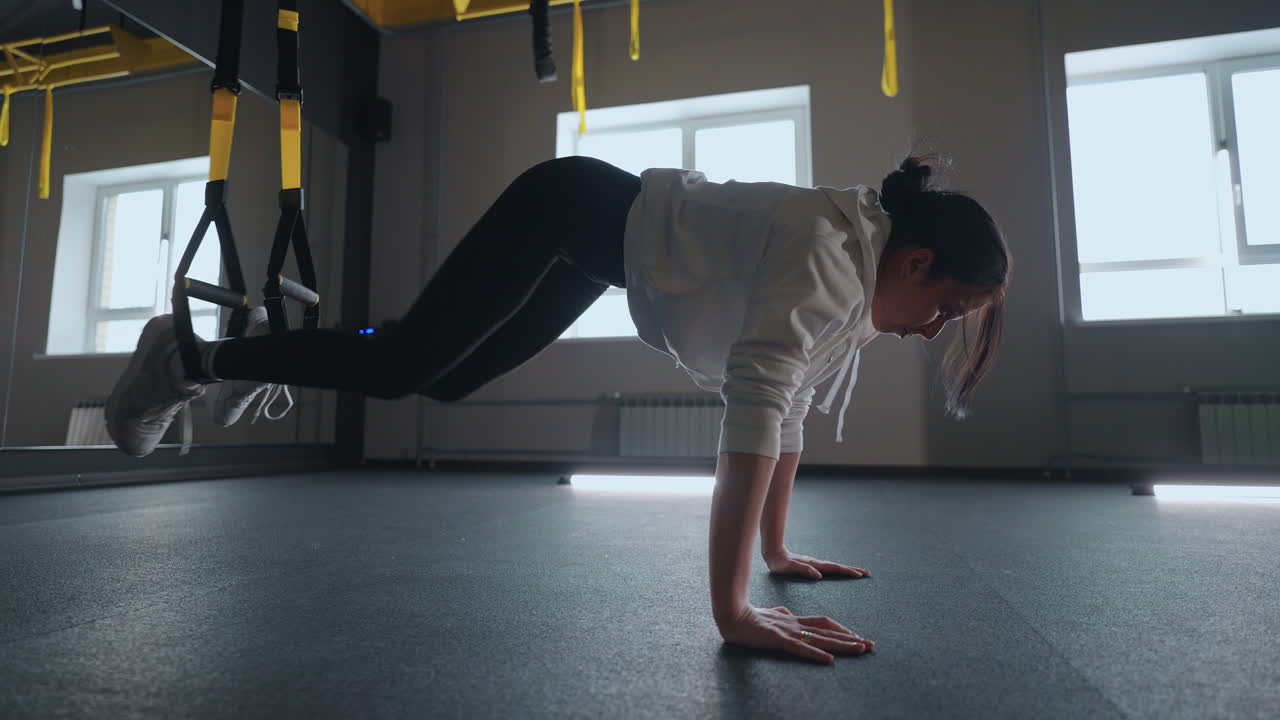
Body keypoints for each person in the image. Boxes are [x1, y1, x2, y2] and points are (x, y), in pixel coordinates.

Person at [106, 153, 1011, 664]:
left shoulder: (859, 291)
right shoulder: (826, 257)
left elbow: (790, 416)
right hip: (568, 208)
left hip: (592, 249)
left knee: (442, 374)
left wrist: (776, 552)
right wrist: (733, 612)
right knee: (412, 361)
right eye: (948, 312)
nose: (934, 332)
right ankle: (191, 353)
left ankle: (255, 346)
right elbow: (752, 421)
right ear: (919, 263)